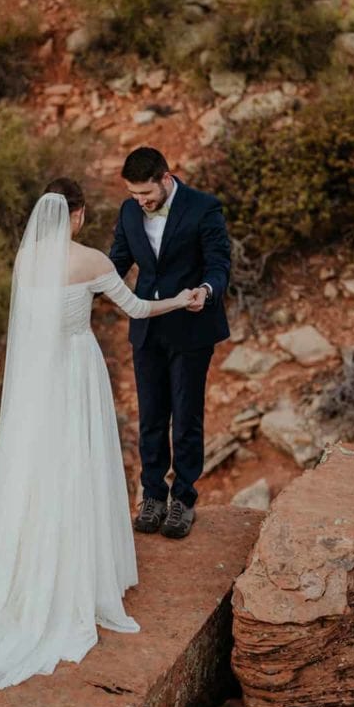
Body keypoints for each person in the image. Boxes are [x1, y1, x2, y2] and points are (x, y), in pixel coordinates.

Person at [0, 179, 198, 691]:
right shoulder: (91, 261)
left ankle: (30, 561)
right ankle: (78, 573)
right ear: (78, 214)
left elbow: (27, 326)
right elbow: (136, 308)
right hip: (76, 369)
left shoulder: (26, 261)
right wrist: (181, 299)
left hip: (36, 381)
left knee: (39, 463)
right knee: (78, 460)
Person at [110, 147, 231, 540]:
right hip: (146, 326)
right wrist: (81, 285)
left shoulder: (204, 207)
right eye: (133, 194)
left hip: (192, 326)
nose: (140, 202)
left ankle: (184, 499)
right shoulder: (129, 212)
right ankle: (153, 496)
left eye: (145, 193)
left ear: (166, 178)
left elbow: (219, 263)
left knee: (186, 415)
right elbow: (117, 263)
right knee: (151, 416)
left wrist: (207, 290)